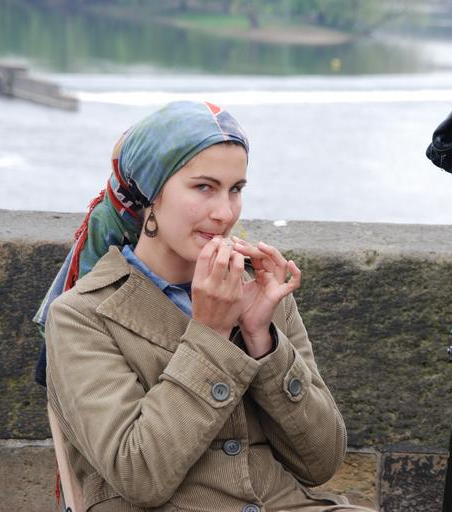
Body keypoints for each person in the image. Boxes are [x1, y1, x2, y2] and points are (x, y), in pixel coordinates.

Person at [34, 101, 374, 512]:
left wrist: (262, 341)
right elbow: (139, 475)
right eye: (204, 187)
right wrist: (211, 333)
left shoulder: (257, 292)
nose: (225, 212)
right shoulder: (82, 315)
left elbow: (321, 462)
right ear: (152, 195)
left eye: (236, 189)